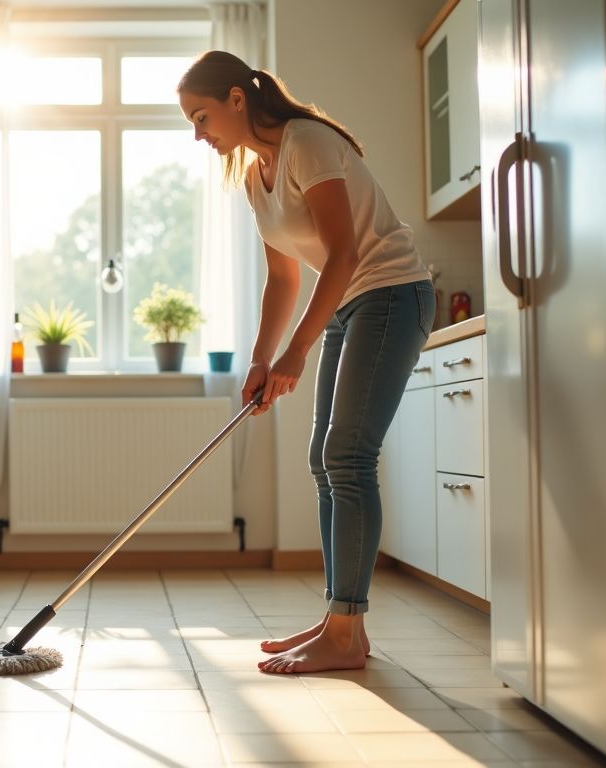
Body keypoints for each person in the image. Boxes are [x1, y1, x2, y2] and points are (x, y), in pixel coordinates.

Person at [178, 51, 435, 673]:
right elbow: (282, 280)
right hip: (349, 306)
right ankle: (340, 623)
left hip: (392, 294)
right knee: (325, 458)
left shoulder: (308, 142)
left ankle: (346, 632)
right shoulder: (252, 174)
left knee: (347, 455)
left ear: (238, 99)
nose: (199, 134)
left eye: (202, 116)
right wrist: (261, 359)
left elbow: (344, 253)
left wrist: (297, 351)